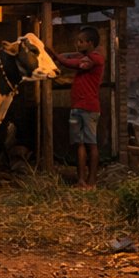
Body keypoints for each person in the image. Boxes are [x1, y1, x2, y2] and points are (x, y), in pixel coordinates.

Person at [49, 25, 105, 188]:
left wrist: (55, 55)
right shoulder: (85, 56)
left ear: (90, 43)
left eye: (81, 41)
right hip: (76, 107)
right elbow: (71, 56)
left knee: (91, 144)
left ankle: (92, 181)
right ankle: (81, 180)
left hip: (89, 109)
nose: (77, 44)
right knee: (79, 144)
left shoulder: (95, 59)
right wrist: (60, 55)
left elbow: (73, 63)